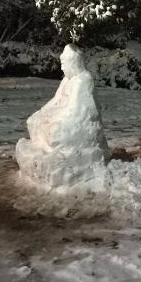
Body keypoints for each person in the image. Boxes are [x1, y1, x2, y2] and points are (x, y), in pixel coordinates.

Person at [15, 44, 109, 188]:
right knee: (34, 122)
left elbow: (77, 109)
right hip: (64, 114)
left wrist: (56, 118)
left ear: (73, 63)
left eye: (64, 64)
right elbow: (56, 100)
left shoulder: (83, 80)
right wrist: (42, 113)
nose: (61, 68)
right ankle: (44, 144)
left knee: (54, 132)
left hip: (78, 120)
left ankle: (54, 150)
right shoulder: (67, 80)